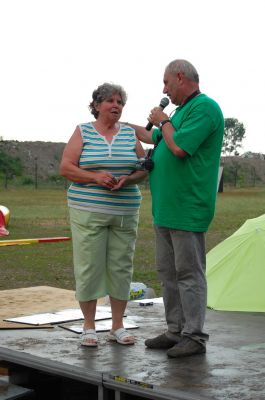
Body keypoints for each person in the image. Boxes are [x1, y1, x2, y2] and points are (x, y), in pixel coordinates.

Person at [128, 59, 224, 357]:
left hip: (188, 207)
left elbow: (179, 147)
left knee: (189, 273)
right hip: (166, 208)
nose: (164, 88)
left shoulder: (205, 108)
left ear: (181, 78)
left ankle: (194, 336)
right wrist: (116, 124)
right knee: (168, 272)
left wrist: (163, 121)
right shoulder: (181, 112)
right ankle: (175, 330)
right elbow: (151, 137)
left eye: (166, 82)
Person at [60, 83, 147, 347]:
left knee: (122, 267)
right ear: (97, 105)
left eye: (120, 102)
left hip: (125, 212)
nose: (116, 106)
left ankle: (117, 326)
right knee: (89, 266)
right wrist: (95, 177)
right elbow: (66, 167)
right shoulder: (83, 131)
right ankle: (88, 326)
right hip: (87, 211)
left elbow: (144, 168)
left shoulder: (130, 134)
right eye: (110, 101)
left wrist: (129, 180)